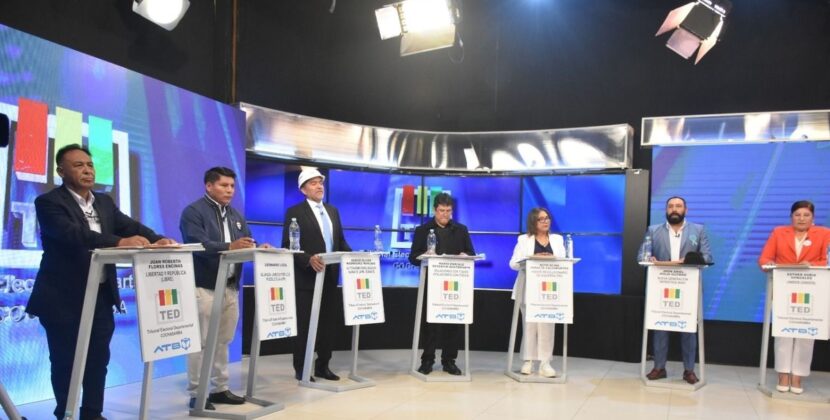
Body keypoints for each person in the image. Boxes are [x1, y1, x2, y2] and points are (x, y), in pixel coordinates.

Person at [27, 144, 175, 420]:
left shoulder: (103, 202)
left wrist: (159, 239)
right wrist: (118, 242)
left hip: (102, 296)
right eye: (78, 165)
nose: (87, 170)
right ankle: (66, 413)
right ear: (61, 171)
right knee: (65, 361)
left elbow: (131, 226)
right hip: (62, 298)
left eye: (90, 165)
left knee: (98, 360)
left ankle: (92, 414)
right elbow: (74, 235)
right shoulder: (48, 203)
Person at [180, 167, 269, 410]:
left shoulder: (235, 215)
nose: (230, 190)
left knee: (222, 341)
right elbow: (198, 244)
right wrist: (231, 245)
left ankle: (220, 389)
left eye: (231, 186)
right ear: (209, 186)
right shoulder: (193, 212)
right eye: (224, 185)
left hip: (230, 288)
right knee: (201, 342)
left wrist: (260, 247)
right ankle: (197, 393)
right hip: (205, 287)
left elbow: (245, 242)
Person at [282, 168, 351, 381]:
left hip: (330, 277)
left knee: (327, 326)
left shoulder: (333, 211)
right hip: (307, 279)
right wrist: (308, 259)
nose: (319, 186)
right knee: (304, 325)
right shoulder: (294, 212)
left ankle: (323, 365)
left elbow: (339, 242)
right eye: (313, 183)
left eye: (320, 182)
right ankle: (302, 368)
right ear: (303, 189)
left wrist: (355, 256)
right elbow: (288, 246)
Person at [758, 200, 830, 395]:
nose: (801, 218)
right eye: (797, 215)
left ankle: (798, 376)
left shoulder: (825, 234)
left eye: (806, 215)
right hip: (784, 289)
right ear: (791, 217)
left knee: (806, 333)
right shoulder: (779, 232)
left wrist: (811, 265)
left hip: (813, 290)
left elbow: (826, 260)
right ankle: (783, 374)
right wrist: (775, 266)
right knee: (783, 333)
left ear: (813, 218)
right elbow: (764, 260)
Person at [639, 196, 712, 385]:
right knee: (660, 326)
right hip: (662, 286)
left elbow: (707, 256)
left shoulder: (698, 230)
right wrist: (649, 258)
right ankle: (659, 367)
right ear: (666, 210)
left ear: (685, 210)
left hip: (688, 287)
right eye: (670, 206)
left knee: (688, 329)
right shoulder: (653, 230)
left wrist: (689, 259)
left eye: (678, 206)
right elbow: (642, 256)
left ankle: (689, 370)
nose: (674, 209)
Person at [409, 192, 475, 375]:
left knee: (453, 322)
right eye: (441, 211)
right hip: (431, 284)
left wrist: (466, 256)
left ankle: (449, 360)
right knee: (430, 324)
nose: (445, 214)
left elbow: (471, 252)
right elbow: (413, 258)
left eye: (448, 211)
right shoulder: (423, 230)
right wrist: (425, 256)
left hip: (455, 283)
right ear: (434, 210)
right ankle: (427, 360)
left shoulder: (461, 230)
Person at [508, 208, 566, 377]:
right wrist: (531, 258)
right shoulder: (524, 240)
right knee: (530, 324)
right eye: (541, 219)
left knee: (547, 324)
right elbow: (513, 263)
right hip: (528, 287)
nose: (545, 221)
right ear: (533, 222)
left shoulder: (557, 239)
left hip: (550, 287)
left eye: (547, 218)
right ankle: (528, 361)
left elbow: (562, 259)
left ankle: (545, 363)